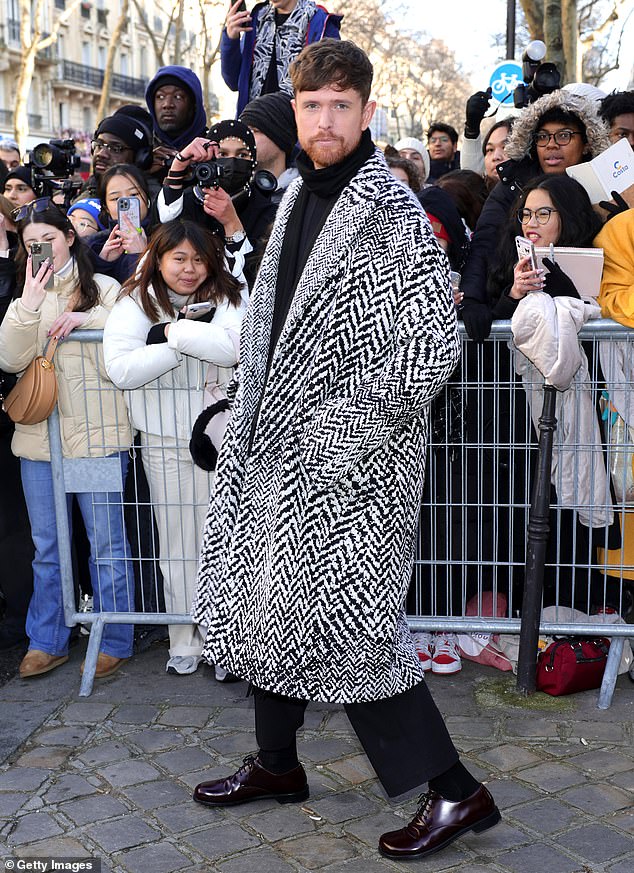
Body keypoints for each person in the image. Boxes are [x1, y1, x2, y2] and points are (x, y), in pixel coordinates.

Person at [191, 39, 500, 861]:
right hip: (271, 448)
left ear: (365, 113)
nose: (324, 119)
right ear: (293, 113)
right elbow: (273, 316)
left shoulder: (392, 211)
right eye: (311, 105)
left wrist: (342, 435)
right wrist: (241, 413)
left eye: (339, 105)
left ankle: (456, 791)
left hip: (351, 465)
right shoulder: (295, 198)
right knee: (267, 605)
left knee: (350, 628)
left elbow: (433, 346)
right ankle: (278, 762)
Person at [103, 221, 248, 677]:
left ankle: (227, 645)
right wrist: (183, 341)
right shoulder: (135, 302)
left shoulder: (231, 296)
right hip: (164, 439)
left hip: (222, 439)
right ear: (159, 258)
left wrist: (171, 335)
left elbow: (230, 349)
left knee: (226, 546)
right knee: (178, 546)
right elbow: (121, 369)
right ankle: (184, 639)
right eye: (179, 259)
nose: (189, 269)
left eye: (199, 259)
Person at [0, 200, 134, 679]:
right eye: (29, 243)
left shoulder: (104, 289)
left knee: (106, 544)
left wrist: (85, 320)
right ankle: (47, 638)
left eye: (48, 240)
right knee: (47, 547)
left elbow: (127, 336)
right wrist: (29, 307)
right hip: (39, 442)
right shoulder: (23, 295)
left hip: (97, 437)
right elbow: (10, 359)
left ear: (70, 238)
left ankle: (115, 635)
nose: (40, 251)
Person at [460, 90, 611, 342]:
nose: (551, 145)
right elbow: (484, 244)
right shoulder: (512, 184)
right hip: (520, 314)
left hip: (593, 320)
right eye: (542, 137)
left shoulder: (608, 186)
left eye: (564, 135)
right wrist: (473, 299)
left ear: (586, 143)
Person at [222, 0, 342, 115]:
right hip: (254, 123)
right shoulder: (257, 20)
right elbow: (233, 81)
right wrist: (231, 39)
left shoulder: (322, 23)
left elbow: (330, 89)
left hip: (295, 128)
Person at [88, 164, 152, 284]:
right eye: (116, 198)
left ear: (147, 197)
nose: (126, 202)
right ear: (106, 208)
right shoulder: (94, 245)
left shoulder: (166, 240)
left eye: (134, 195)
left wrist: (140, 257)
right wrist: (102, 262)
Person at [239, 90, 299, 202]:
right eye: (244, 131)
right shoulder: (235, 189)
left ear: (280, 137)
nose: (245, 138)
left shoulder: (304, 195)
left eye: (255, 131)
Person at [145, 66, 208, 170]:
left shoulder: (213, 147)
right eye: (160, 97)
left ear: (194, 105)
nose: (167, 104)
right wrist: (143, 172)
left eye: (178, 97)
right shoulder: (143, 149)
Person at [83, 114, 154, 198]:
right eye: (99, 145)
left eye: (116, 148)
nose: (101, 154)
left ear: (139, 158)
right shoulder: (88, 187)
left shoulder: (153, 202)